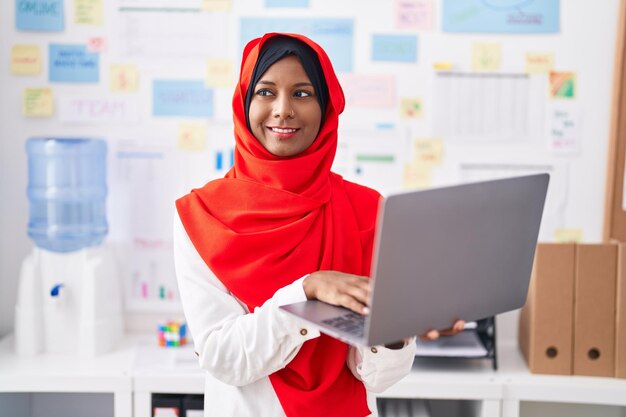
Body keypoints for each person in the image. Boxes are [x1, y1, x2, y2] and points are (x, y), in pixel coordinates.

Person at [174, 33, 464, 417]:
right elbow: (224, 357)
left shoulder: (366, 210)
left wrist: (396, 332)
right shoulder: (201, 215)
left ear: (326, 108)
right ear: (244, 102)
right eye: (265, 92)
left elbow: (375, 376)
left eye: (302, 93)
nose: (282, 110)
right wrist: (307, 291)